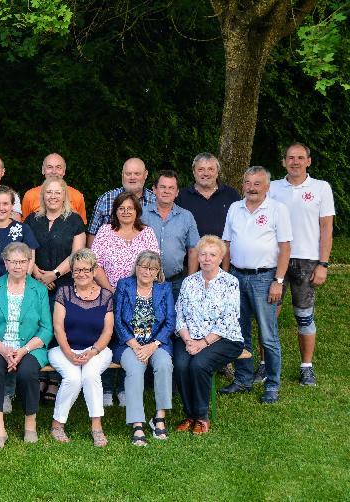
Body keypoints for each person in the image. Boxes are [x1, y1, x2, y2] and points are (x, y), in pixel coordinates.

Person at [220, 166, 292, 404]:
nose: (251, 188)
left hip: (265, 278)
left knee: (268, 335)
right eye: (248, 183)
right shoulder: (235, 208)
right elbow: (227, 244)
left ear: (267, 186)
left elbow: (285, 248)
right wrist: (226, 277)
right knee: (240, 332)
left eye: (257, 183)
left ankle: (272, 384)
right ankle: (243, 379)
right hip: (236, 276)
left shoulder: (277, 210)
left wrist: (278, 281)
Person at [269, 142, 334, 386]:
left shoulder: (321, 188)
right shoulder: (272, 187)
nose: (295, 162)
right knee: (269, 316)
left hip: (307, 261)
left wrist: (323, 264)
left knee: (304, 316)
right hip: (275, 260)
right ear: (283, 161)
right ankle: (265, 365)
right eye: (290, 158)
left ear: (309, 161)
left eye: (300, 157)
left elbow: (326, 229)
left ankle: (306, 367)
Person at [0, 242, 53, 450]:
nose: (18, 266)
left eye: (22, 261)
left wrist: (22, 351)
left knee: (28, 372)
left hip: (29, 346)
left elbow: (46, 329)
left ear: (29, 263)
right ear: (5, 263)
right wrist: (3, 349)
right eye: (13, 261)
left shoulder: (39, 290)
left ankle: (30, 425)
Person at [90, 191, 159, 407]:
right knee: (109, 338)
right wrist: (109, 289)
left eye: (130, 208)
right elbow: (96, 263)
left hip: (139, 297)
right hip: (109, 294)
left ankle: (124, 389)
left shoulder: (146, 233)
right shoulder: (105, 231)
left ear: (137, 210)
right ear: (115, 211)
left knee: (131, 338)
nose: (126, 212)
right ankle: (108, 388)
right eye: (121, 208)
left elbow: (154, 262)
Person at [174, 235, 244, 434]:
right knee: (180, 365)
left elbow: (228, 320)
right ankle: (190, 414)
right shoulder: (189, 282)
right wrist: (188, 340)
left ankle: (202, 416)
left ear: (220, 258)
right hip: (189, 337)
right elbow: (180, 313)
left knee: (199, 364)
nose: (206, 259)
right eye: (203, 254)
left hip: (224, 338)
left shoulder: (230, 283)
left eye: (212, 255)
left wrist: (202, 343)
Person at [47, 249, 114, 447]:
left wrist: (93, 351)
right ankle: (57, 425)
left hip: (97, 350)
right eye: (77, 270)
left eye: (86, 270)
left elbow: (107, 331)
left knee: (90, 375)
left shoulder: (106, 296)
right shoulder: (64, 293)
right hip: (63, 349)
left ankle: (96, 427)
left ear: (94, 271)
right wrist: (68, 353)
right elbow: (58, 327)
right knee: (74, 378)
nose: (81, 274)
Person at [113, 251, 174, 446]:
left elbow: (170, 322)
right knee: (135, 369)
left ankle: (159, 417)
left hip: (157, 343)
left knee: (164, 364)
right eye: (143, 267)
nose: (147, 271)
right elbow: (118, 320)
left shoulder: (164, 289)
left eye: (152, 268)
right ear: (136, 267)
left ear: (158, 272)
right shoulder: (125, 285)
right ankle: (137, 424)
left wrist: (152, 345)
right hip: (129, 343)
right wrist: (135, 345)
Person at [141, 170, 199, 300]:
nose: (166, 191)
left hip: (176, 283)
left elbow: (193, 250)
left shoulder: (186, 217)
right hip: (146, 282)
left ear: (177, 192)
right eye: (162, 187)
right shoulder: (141, 214)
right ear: (154, 189)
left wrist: (189, 281)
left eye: (171, 188)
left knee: (175, 319)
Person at [24, 178, 86, 297]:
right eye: (49, 192)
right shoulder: (31, 220)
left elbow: (76, 254)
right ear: (43, 195)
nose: (53, 196)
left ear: (64, 196)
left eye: (58, 193)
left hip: (65, 287)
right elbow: (23, 251)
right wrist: (38, 275)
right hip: (34, 285)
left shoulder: (75, 220)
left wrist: (54, 274)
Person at [87, 157, 156, 246]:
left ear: (145, 174)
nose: (132, 177)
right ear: (122, 174)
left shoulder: (155, 201)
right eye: (128, 173)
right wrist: (93, 259)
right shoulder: (106, 199)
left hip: (146, 258)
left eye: (137, 174)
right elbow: (93, 233)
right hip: (110, 258)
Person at [176, 153, 241, 240]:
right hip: (191, 252)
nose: (206, 173)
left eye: (210, 169)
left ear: (217, 172)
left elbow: (240, 225)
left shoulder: (231, 194)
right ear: (194, 172)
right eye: (201, 169)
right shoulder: (181, 196)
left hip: (224, 252)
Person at [20, 153, 87, 223]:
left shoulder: (77, 196)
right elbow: (25, 227)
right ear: (43, 170)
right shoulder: (30, 195)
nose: (54, 172)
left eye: (58, 167)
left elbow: (81, 226)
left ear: (64, 171)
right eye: (50, 167)